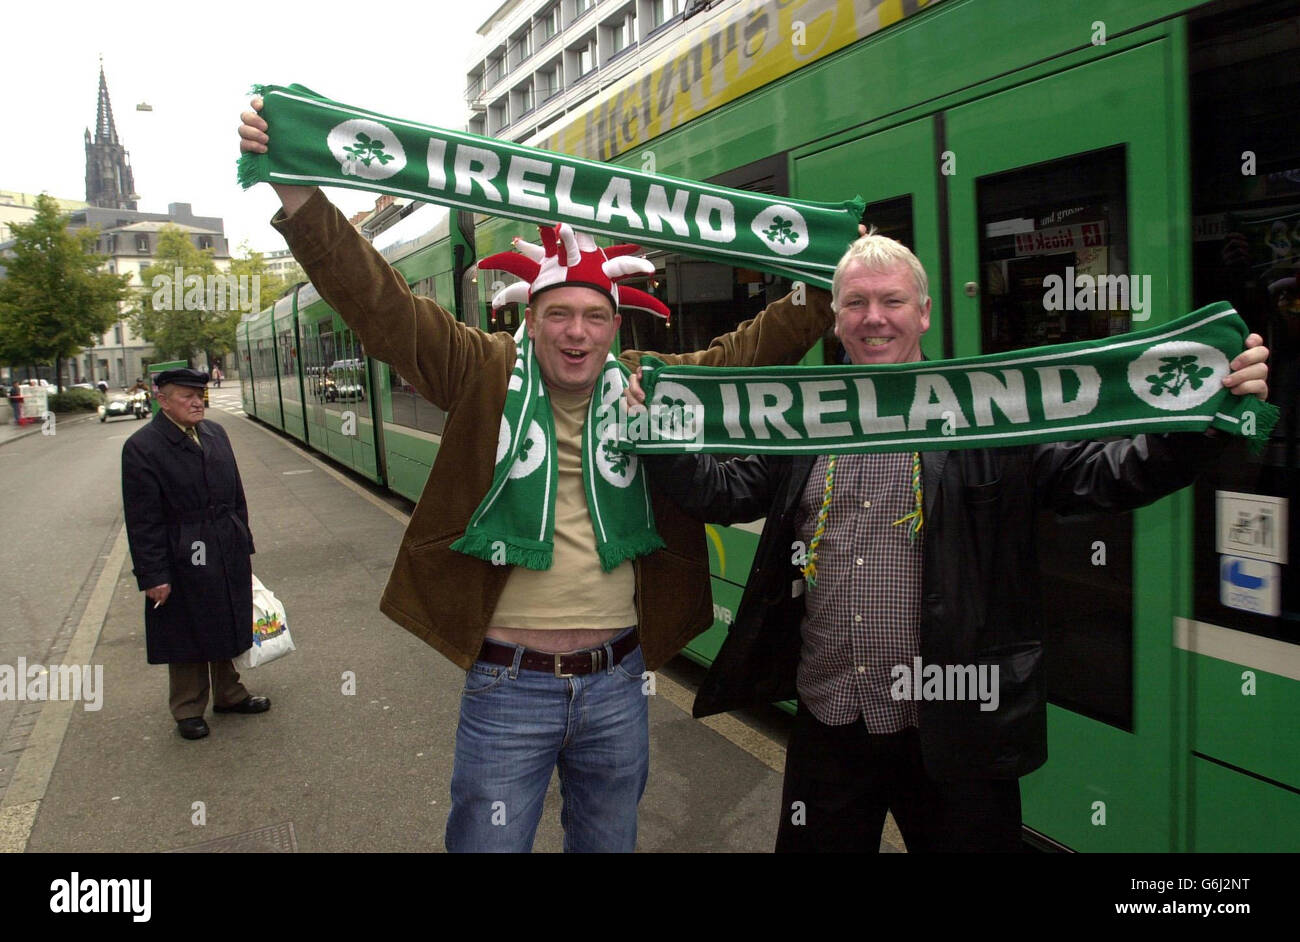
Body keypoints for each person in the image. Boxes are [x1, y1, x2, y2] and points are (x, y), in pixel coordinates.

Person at [239, 97, 841, 852]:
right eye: (559, 314)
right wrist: (297, 195)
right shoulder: (479, 369)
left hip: (619, 683)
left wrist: (827, 281)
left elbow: (749, 353)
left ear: (616, 326)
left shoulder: (648, 386)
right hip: (506, 688)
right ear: (530, 320)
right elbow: (383, 309)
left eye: (593, 316)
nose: (577, 332)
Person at [630, 231, 1272, 853]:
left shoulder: (985, 413)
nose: (872, 318)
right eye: (854, 303)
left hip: (957, 729)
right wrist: (657, 434)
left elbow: (1104, 475)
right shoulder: (802, 415)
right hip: (832, 721)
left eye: (891, 301)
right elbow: (723, 491)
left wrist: (1199, 426)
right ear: (835, 317)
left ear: (924, 313)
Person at [121, 368, 269, 741]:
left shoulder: (215, 433)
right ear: (163, 400)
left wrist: (242, 539)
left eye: (199, 394)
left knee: (226, 617)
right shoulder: (143, 446)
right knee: (185, 628)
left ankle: (230, 694)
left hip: (223, 540)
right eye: (186, 396)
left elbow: (236, 494)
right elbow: (143, 519)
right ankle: (187, 707)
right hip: (182, 549)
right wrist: (153, 575)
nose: (196, 401)